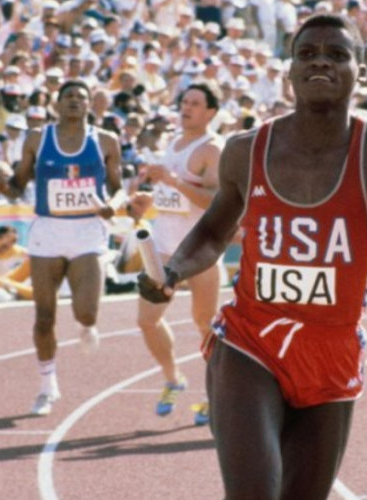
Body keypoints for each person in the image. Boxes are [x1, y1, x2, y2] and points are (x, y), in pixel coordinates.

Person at [138, 14, 367, 500]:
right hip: (251, 342)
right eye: (307, 53)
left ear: (361, 73)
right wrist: (172, 272)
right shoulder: (246, 149)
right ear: (290, 71)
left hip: (331, 352)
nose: (320, 61)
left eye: (337, 54)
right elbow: (213, 231)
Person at [0, 79, 124, 416]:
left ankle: (86, 325)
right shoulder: (37, 138)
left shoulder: (105, 140)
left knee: (87, 312)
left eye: (81, 96)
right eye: (68, 96)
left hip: (88, 232)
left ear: (90, 104)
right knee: (44, 315)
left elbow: (118, 188)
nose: (74, 101)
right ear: (57, 104)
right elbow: (17, 186)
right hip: (48, 232)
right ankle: (47, 386)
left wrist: (112, 205)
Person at [135, 82, 224, 426]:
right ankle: (174, 379)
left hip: (198, 250)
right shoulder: (173, 142)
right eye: (184, 102)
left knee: (205, 324)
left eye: (195, 103)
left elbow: (215, 201)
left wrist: (172, 181)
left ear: (211, 112)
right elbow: (173, 200)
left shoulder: (212, 149)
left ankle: (216, 393)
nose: (186, 108)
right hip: (163, 248)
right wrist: (148, 201)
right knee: (147, 320)